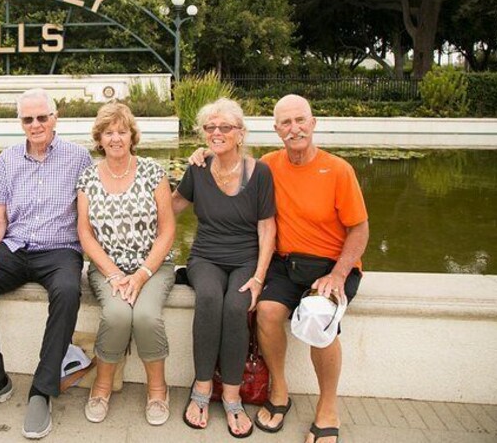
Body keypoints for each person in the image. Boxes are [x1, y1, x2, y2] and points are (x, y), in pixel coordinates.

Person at [190, 94, 368, 443]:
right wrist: (206, 152)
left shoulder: (338, 170)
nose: (294, 128)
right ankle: (280, 392)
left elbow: (360, 229)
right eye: (285, 123)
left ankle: (328, 407)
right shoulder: (268, 165)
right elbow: (230, 161)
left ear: (313, 123)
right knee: (267, 313)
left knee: (318, 316)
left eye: (300, 120)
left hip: (330, 266)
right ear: (276, 130)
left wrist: (339, 273)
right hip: (286, 265)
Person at [0, 88, 92, 440]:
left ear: (55, 118)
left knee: (67, 290)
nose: (35, 124)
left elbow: (89, 212)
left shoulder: (79, 157)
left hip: (60, 249)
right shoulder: (8, 158)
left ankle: (42, 389)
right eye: (27, 119)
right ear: (21, 123)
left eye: (41, 117)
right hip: (15, 246)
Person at [173, 98, 275, 438]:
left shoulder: (259, 172)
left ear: (240, 133)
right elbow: (171, 206)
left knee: (236, 306)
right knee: (209, 300)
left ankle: (232, 395)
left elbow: (267, 227)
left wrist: (259, 276)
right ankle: (202, 388)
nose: (217, 133)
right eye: (210, 127)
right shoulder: (198, 168)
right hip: (205, 257)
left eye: (225, 127)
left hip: (246, 258)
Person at [77, 103, 176, 426]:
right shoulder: (88, 177)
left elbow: (168, 229)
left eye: (122, 131)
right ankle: (102, 385)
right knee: (117, 314)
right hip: (108, 269)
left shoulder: (152, 171)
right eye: (109, 132)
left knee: (146, 316)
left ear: (132, 135)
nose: (116, 138)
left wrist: (143, 273)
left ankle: (158, 390)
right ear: (99, 139)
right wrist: (116, 274)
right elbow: (85, 233)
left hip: (153, 266)